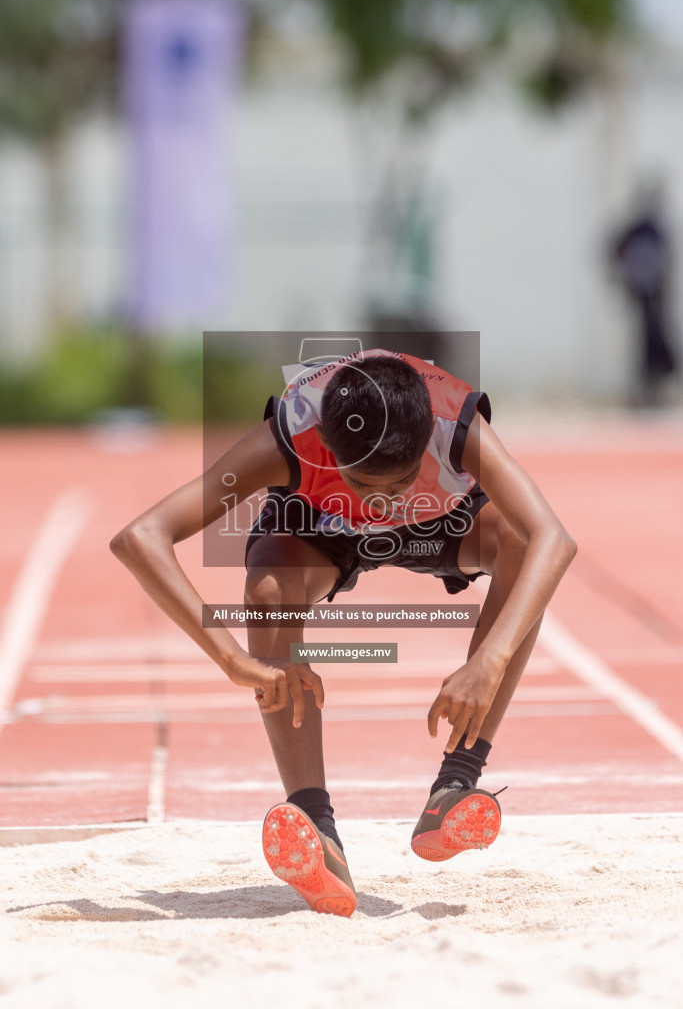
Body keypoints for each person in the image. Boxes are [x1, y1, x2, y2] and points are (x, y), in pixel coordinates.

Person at [110, 348, 577, 917]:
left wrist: (490, 660)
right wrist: (229, 655)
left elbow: (556, 538)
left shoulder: (456, 425)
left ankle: (455, 785)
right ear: (329, 446)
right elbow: (141, 537)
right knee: (268, 592)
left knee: (525, 547)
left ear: (427, 435)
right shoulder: (288, 437)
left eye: (397, 483)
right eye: (365, 484)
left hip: (439, 520)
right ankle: (316, 824)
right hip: (320, 524)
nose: (380, 504)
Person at [610, 183, 679, 406]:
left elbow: (664, 264)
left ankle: (661, 384)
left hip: (654, 295)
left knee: (658, 339)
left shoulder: (655, 230)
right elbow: (616, 249)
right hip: (643, 295)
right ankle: (649, 388)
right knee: (646, 342)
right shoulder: (639, 229)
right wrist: (627, 279)